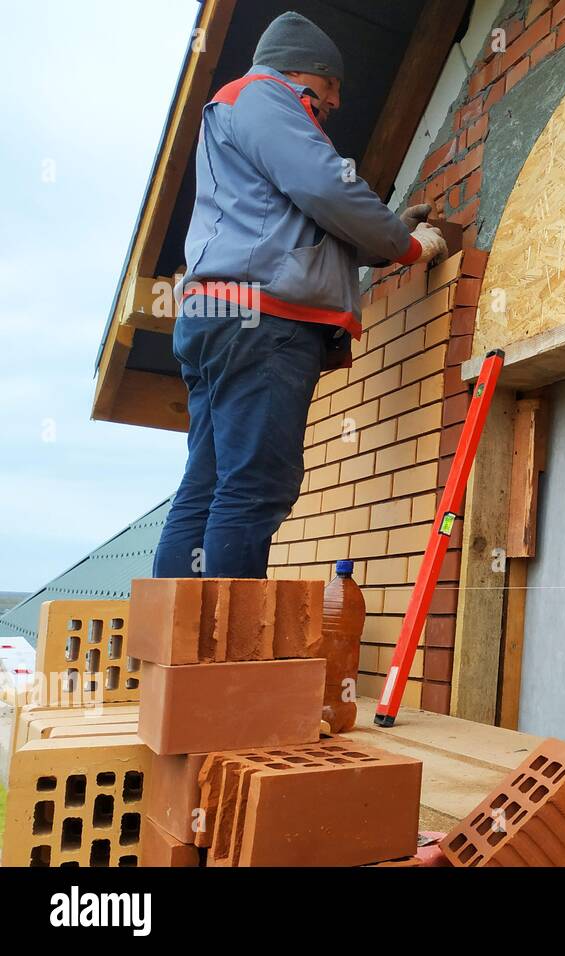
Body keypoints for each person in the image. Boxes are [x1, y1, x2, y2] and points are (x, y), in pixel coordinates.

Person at [152, 11, 446, 579]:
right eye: (332, 88)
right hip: (263, 322)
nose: (334, 104)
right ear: (308, 72)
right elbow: (322, 186)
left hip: (222, 317)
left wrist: (388, 236)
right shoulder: (265, 97)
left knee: (209, 483)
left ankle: (180, 649)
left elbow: (301, 227)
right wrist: (409, 247)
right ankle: (229, 657)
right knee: (256, 485)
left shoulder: (238, 112)